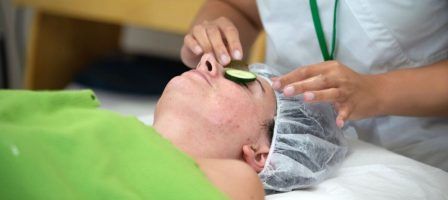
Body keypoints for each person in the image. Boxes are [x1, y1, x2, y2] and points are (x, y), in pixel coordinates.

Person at [0, 53, 347, 199]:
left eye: (243, 81)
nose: (209, 62)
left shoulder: (238, 183)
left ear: (262, 154)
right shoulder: (81, 114)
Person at [180, 0, 448, 171]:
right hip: (290, 144)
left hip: (415, 150)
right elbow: (239, 7)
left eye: (249, 87)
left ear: (257, 156)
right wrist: (214, 35)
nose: (209, 70)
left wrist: (376, 92)